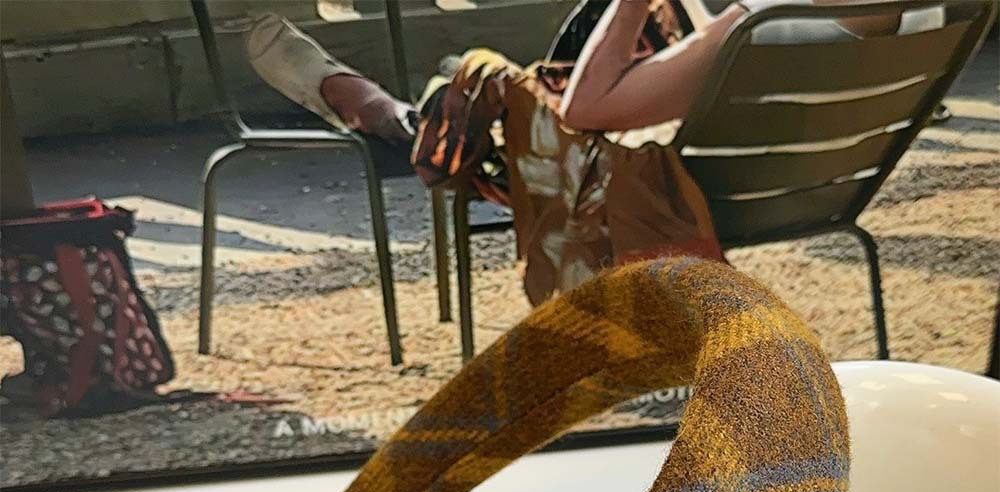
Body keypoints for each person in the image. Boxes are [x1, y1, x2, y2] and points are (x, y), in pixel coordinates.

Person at [247, 0, 945, 302]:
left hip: (682, 199)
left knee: (487, 81)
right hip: (818, 189)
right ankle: (400, 117)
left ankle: (379, 114)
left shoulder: (759, 22)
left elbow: (587, 109)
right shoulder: (934, 15)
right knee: (505, 91)